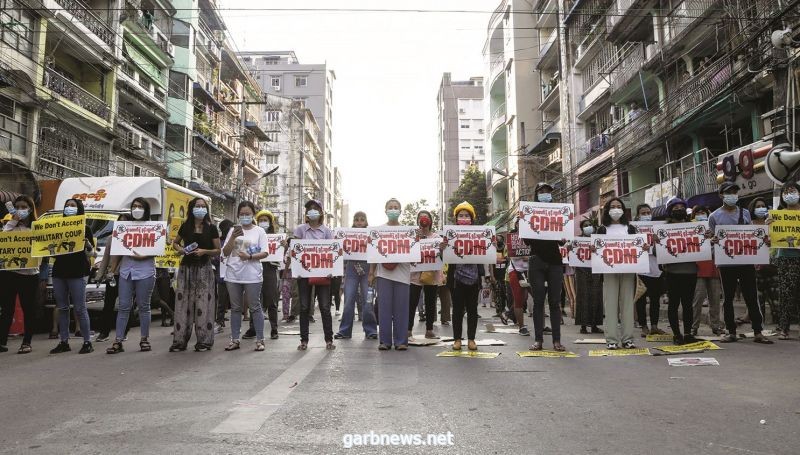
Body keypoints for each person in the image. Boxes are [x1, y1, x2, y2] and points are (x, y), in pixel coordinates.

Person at [709, 182, 772, 344]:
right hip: (726, 263)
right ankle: (731, 332)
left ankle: (758, 331)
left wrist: (763, 240)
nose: (733, 195)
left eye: (735, 192)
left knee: (751, 296)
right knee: (728, 298)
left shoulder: (744, 213)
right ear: (721, 195)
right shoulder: (714, 217)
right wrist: (713, 240)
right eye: (729, 192)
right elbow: (710, 239)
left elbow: (750, 234)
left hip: (745, 261)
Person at [106, 198, 158, 354]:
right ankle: (118, 341)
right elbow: (118, 252)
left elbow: (158, 247)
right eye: (134, 206)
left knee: (144, 306)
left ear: (146, 209)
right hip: (126, 272)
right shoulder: (123, 228)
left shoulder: (153, 227)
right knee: (123, 307)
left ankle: (144, 339)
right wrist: (112, 270)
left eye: (140, 206)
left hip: (145, 271)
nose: (136, 209)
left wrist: (145, 255)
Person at [170, 197, 221, 352]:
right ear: (192, 208)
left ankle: (204, 341)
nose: (200, 208)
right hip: (186, 268)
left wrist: (204, 251)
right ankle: (180, 341)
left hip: (204, 269)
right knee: (182, 305)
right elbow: (175, 243)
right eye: (197, 206)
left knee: (204, 304)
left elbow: (218, 250)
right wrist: (180, 250)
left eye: (203, 206)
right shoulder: (186, 226)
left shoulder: (211, 228)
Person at [523, 183, 566, 352]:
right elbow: (527, 241)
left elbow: (562, 240)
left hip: (555, 260)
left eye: (548, 191)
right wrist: (523, 223)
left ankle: (557, 341)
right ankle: (538, 340)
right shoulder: (529, 214)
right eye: (541, 191)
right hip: (536, 261)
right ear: (536, 194)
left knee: (555, 302)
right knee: (539, 302)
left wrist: (564, 234)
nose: (545, 194)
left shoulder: (558, 212)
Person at [222, 201, 269, 352]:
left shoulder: (259, 231)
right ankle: (235, 339)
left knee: (255, 307)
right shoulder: (233, 230)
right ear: (238, 215)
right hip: (233, 275)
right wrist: (232, 238)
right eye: (242, 214)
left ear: (253, 214)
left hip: (252, 275)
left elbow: (265, 252)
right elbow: (225, 252)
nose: (244, 217)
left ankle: (260, 340)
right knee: (235, 308)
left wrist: (249, 256)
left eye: (247, 214)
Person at [50, 198, 95, 354]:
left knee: (80, 307)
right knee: (62, 307)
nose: (69, 208)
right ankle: (64, 341)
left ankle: (87, 341)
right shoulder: (57, 227)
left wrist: (87, 244)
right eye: (67, 205)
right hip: (59, 271)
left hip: (77, 271)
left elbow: (92, 253)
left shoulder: (85, 227)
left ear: (79, 209)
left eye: (73, 206)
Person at [446, 201, 493, 351]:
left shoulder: (478, 235)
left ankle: (471, 339)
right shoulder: (450, 235)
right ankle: (457, 339)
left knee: (473, 310)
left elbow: (486, 252)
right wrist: (443, 247)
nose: (464, 218)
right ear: (456, 218)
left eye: (467, 215)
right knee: (458, 310)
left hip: (473, 278)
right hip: (456, 279)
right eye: (461, 215)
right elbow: (444, 255)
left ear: (471, 219)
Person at [597, 198, 641, 350]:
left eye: (619, 206)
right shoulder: (602, 229)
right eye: (612, 206)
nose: (616, 209)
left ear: (623, 209)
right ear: (607, 210)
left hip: (627, 270)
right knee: (610, 304)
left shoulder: (630, 229)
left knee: (627, 304)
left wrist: (645, 247)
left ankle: (628, 339)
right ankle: (611, 339)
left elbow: (638, 247)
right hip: (609, 270)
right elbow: (596, 249)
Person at [369, 198, 411, 351]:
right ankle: (385, 341)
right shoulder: (378, 230)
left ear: (400, 211)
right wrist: (371, 273)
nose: (393, 209)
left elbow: (413, 254)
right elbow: (373, 254)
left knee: (401, 309)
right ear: (385, 210)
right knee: (384, 308)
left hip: (403, 274)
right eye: (390, 207)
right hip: (383, 274)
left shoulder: (408, 231)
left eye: (396, 207)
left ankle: (401, 341)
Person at [293, 199, 336, 351]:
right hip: (304, 275)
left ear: (321, 213)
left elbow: (332, 253)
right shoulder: (300, 230)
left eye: (315, 209)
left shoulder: (327, 232)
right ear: (306, 213)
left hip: (323, 274)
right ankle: (304, 340)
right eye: (309, 209)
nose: (312, 212)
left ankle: (329, 340)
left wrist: (333, 271)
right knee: (304, 307)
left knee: (324, 307)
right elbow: (295, 252)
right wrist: (296, 270)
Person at [0, 196, 40, 354]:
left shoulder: (35, 229)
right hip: (9, 274)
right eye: (17, 207)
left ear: (30, 209)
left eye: (24, 207)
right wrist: (13, 221)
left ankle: (27, 342)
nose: (20, 210)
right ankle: (2, 341)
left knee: (28, 308)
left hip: (29, 275)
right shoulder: (10, 227)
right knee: (6, 309)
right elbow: (3, 237)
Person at [660, 198, 698, 345]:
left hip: (690, 271)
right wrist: (657, 242)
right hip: (672, 272)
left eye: (682, 207)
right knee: (674, 304)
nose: (679, 209)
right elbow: (658, 252)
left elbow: (702, 246)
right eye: (676, 207)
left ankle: (688, 333)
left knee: (688, 304)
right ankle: (676, 334)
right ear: (670, 211)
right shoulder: (664, 230)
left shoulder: (694, 227)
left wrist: (707, 239)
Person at [335, 212, 378, 340]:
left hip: (368, 270)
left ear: (366, 222)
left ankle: (370, 330)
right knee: (348, 301)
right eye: (357, 220)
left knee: (368, 301)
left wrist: (372, 273)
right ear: (353, 222)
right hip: (351, 270)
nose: (359, 222)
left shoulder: (371, 235)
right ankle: (345, 331)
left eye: (362, 220)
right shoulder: (346, 235)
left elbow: (375, 254)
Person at [242, 210, 280, 341]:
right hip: (255, 269)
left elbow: (280, 255)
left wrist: (284, 246)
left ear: (270, 222)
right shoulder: (254, 235)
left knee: (272, 301)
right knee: (254, 300)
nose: (264, 222)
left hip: (270, 270)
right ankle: (253, 328)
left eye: (266, 220)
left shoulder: (276, 237)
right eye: (261, 220)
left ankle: (274, 329)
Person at [408, 210, 441, 340]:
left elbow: (441, 254)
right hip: (415, 274)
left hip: (431, 275)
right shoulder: (413, 237)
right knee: (412, 302)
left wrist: (442, 247)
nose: (424, 219)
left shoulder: (436, 238)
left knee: (430, 302)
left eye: (427, 217)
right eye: (421, 217)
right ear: (418, 221)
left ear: (430, 221)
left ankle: (429, 330)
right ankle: (408, 330)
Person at [773, 181, 800, 339]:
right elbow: (772, 238)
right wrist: (769, 227)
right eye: (787, 191)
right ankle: (784, 328)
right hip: (786, 258)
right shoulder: (779, 214)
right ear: (783, 196)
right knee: (786, 294)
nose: (790, 194)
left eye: (793, 190)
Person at [633, 203, 665, 337]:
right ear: (638, 215)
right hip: (641, 269)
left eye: (648, 213)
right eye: (643, 213)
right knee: (641, 300)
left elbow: (665, 246)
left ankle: (654, 326)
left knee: (655, 300)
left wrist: (656, 243)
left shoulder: (659, 228)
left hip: (656, 269)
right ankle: (643, 326)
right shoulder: (633, 229)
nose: (646, 215)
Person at [690, 206, 723, 335]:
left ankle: (716, 326)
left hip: (714, 268)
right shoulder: (690, 230)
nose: (700, 214)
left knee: (715, 300)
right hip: (698, 269)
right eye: (697, 213)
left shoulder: (714, 228)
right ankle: (694, 327)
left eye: (702, 212)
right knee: (697, 300)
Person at [750, 198, 779, 326]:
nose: (761, 208)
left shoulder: (772, 223)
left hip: (772, 266)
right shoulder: (748, 225)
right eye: (758, 206)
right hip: (755, 268)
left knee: (776, 298)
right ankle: (760, 325)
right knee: (759, 298)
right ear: (753, 209)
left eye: (763, 206)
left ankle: (778, 323)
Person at [573, 219, 603, 334]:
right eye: (586, 225)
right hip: (581, 272)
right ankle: (583, 326)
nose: (589, 227)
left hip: (596, 271)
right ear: (582, 229)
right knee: (583, 298)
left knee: (596, 298)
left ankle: (595, 325)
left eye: (590, 225)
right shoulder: (577, 241)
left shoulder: (598, 240)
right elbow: (572, 257)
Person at [214, 219, 234, 334]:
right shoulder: (219, 243)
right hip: (222, 276)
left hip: (234, 275)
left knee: (233, 301)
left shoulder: (235, 241)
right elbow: (216, 258)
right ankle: (220, 320)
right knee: (222, 300)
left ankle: (231, 322)